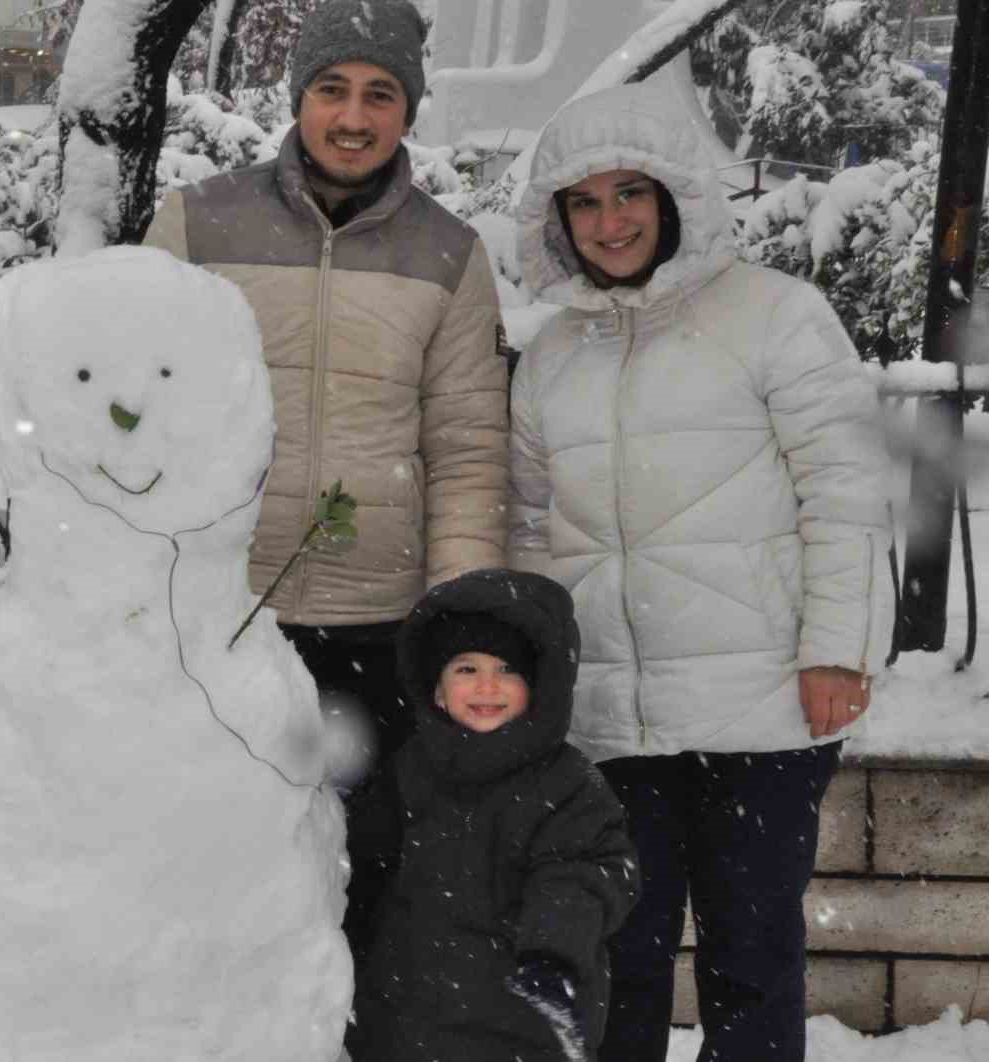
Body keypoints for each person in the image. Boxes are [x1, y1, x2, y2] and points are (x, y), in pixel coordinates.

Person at [509, 81, 893, 1062]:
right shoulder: (551, 354)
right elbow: (525, 527)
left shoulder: (776, 316)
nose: (609, 222)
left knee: (750, 956)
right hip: (610, 721)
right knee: (617, 959)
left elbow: (844, 492)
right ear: (555, 217)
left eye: (629, 193)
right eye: (584, 202)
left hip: (758, 709)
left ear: (675, 194)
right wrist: (529, 678)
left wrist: (835, 651)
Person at [142, 0, 510, 970]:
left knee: (369, 868)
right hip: (229, 617)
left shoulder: (449, 255)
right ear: (298, 98)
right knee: (217, 862)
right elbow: (136, 413)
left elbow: (469, 447)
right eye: (332, 90)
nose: (353, 117)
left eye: (379, 94)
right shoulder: (198, 222)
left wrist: (460, 618)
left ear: (408, 108)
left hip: (380, 626)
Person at [349, 567, 637, 1061]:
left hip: (521, 1012)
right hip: (405, 1011)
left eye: (507, 670)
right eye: (466, 668)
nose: (487, 686)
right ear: (436, 688)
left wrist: (553, 952)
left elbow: (584, 871)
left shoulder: (568, 783)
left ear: (538, 687)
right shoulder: (407, 771)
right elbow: (364, 865)